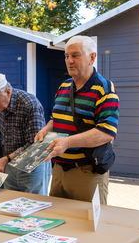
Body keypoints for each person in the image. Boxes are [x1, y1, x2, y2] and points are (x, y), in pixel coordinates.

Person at [35, 36, 119, 205]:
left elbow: (106, 133)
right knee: (55, 223)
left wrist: (67, 142)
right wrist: (46, 130)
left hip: (86, 173)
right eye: (66, 56)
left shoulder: (104, 88)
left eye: (76, 55)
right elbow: (56, 119)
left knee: (86, 228)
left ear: (92, 58)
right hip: (58, 170)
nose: (69, 61)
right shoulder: (63, 86)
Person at [0, 73, 51, 195]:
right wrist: (4, 161)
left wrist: (6, 159)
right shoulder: (0, 106)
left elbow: (35, 144)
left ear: (8, 92)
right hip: (10, 164)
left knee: (33, 204)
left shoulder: (29, 104)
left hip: (31, 164)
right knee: (10, 203)